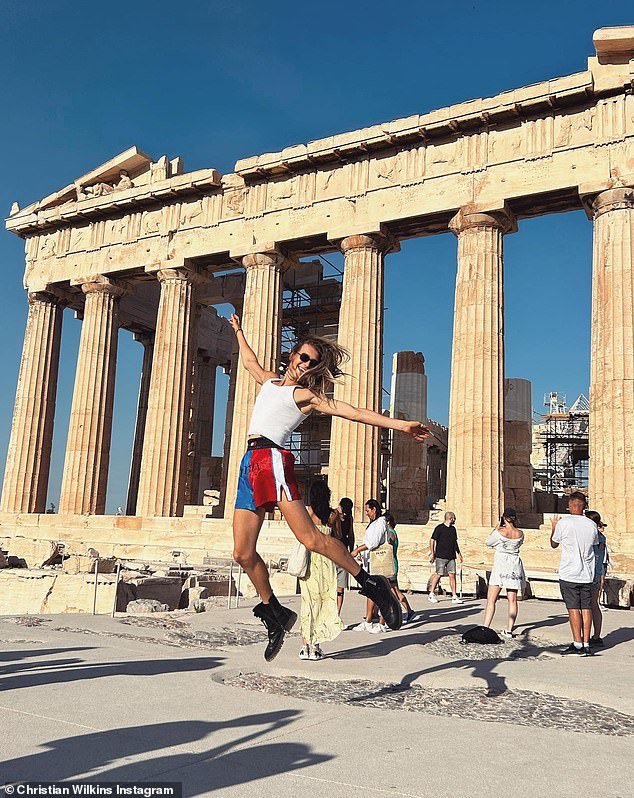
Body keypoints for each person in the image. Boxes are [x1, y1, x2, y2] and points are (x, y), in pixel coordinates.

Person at [229, 313, 430, 661]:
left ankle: (369, 583)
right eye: (302, 357)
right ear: (292, 356)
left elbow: (354, 412)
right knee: (242, 554)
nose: (304, 364)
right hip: (249, 463)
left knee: (311, 539)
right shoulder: (269, 382)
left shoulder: (306, 396)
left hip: (273, 460)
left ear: (315, 369)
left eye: (312, 362)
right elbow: (250, 362)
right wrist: (239, 332)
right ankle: (275, 614)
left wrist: (401, 425)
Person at [299, 481, 345, 660]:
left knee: (307, 603)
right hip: (326, 561)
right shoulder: (332, 515)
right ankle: (316, 646)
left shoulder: (308, 512)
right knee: (323, 602)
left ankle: (305, 647)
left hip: (310, 560)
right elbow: (339, 537)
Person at [550, 491, 599, 656]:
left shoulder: (564, 523)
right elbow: (595, 544)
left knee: (573, 608)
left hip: (569, 572)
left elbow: (554, 544)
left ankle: (578, 643)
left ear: (571, 505)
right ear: (583, 506)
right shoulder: (592, 525)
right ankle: (586, 643)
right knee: (586, 608)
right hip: (587, 573)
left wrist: (553, 528)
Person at [482, 508, 525, 638]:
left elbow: (488, 542)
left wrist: (496, 528)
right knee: (512, 599)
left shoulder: (500, 532)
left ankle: (485, 627)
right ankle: (509, 629)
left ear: (504, 518)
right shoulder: (520, 533)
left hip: (501, 565)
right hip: (514, 565)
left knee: (491, 599)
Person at [350, 499, 391, 633]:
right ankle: (368, 621)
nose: (366, 513)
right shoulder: (374, 523)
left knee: (382, 592)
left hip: (379, 562)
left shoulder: (380, 522)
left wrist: (357, 550)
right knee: (371, 591)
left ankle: (382, 623)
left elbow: (373, 543)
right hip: (371, 561)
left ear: (374, 509)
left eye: (368, 510)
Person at [427, 511, 464, 604]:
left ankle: (454, 596)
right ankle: (431, 594)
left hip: (451, 556)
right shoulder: (439, 528)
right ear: (450, 518)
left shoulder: (453, 529)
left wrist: (459, 553)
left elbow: (455, 542)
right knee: (439, 574)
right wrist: (432, 553)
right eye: (454, 518)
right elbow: (432, 540)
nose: (454, 520)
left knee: (452, 575)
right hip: (440, 555)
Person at [585, 509, 608, 648]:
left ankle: (584, 638)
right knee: (594, 605)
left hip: (587, 574)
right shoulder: (602, 537)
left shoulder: (590, 537)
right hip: (597, 574)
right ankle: (597, 635)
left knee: (584, 606)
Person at [385, 512, 414, 623]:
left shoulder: (391, 533)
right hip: (390, 564)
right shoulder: (391, 532)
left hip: (391, 564)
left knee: (395, 591)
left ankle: (408, 611)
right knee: (391, 591)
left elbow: (389, 544)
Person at [335, 497, 355, 614]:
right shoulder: (333, 516)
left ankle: (337, 614)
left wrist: (352, 552)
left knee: (340, 586)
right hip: (333, 553)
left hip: (343, 553)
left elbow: (351, 535)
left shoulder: (349, 518)